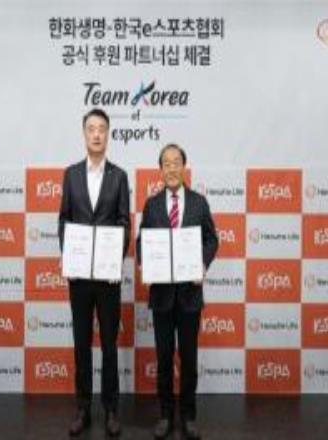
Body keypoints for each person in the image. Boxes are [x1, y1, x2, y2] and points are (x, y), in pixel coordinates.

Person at [136, 144, 218, 440]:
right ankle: (165, 415)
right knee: (163, 358)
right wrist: (146, 263)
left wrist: (202, 264)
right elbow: (142, 240)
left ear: (184, 167)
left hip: (189, 296)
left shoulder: (199, 202)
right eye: (166, 163)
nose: (171, 168)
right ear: (161, 169)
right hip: (161, 296)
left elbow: (211, 239)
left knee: (189, 358)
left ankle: (189, 416)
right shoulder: (152, 204)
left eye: (176, 162)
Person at [58, 108, 130, 437]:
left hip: (108, 278)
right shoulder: (71, 174)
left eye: (102, 128)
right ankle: (83, 408)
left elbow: (124, 222)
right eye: (91, 128)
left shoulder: (119, 176)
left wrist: (115, 261)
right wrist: (68, 257)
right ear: (84, 134)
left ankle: (111, 409)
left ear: (108, 134)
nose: (97, 134)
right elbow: (64, 219)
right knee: (81, 344)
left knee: (109, 346)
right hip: (79, 279)